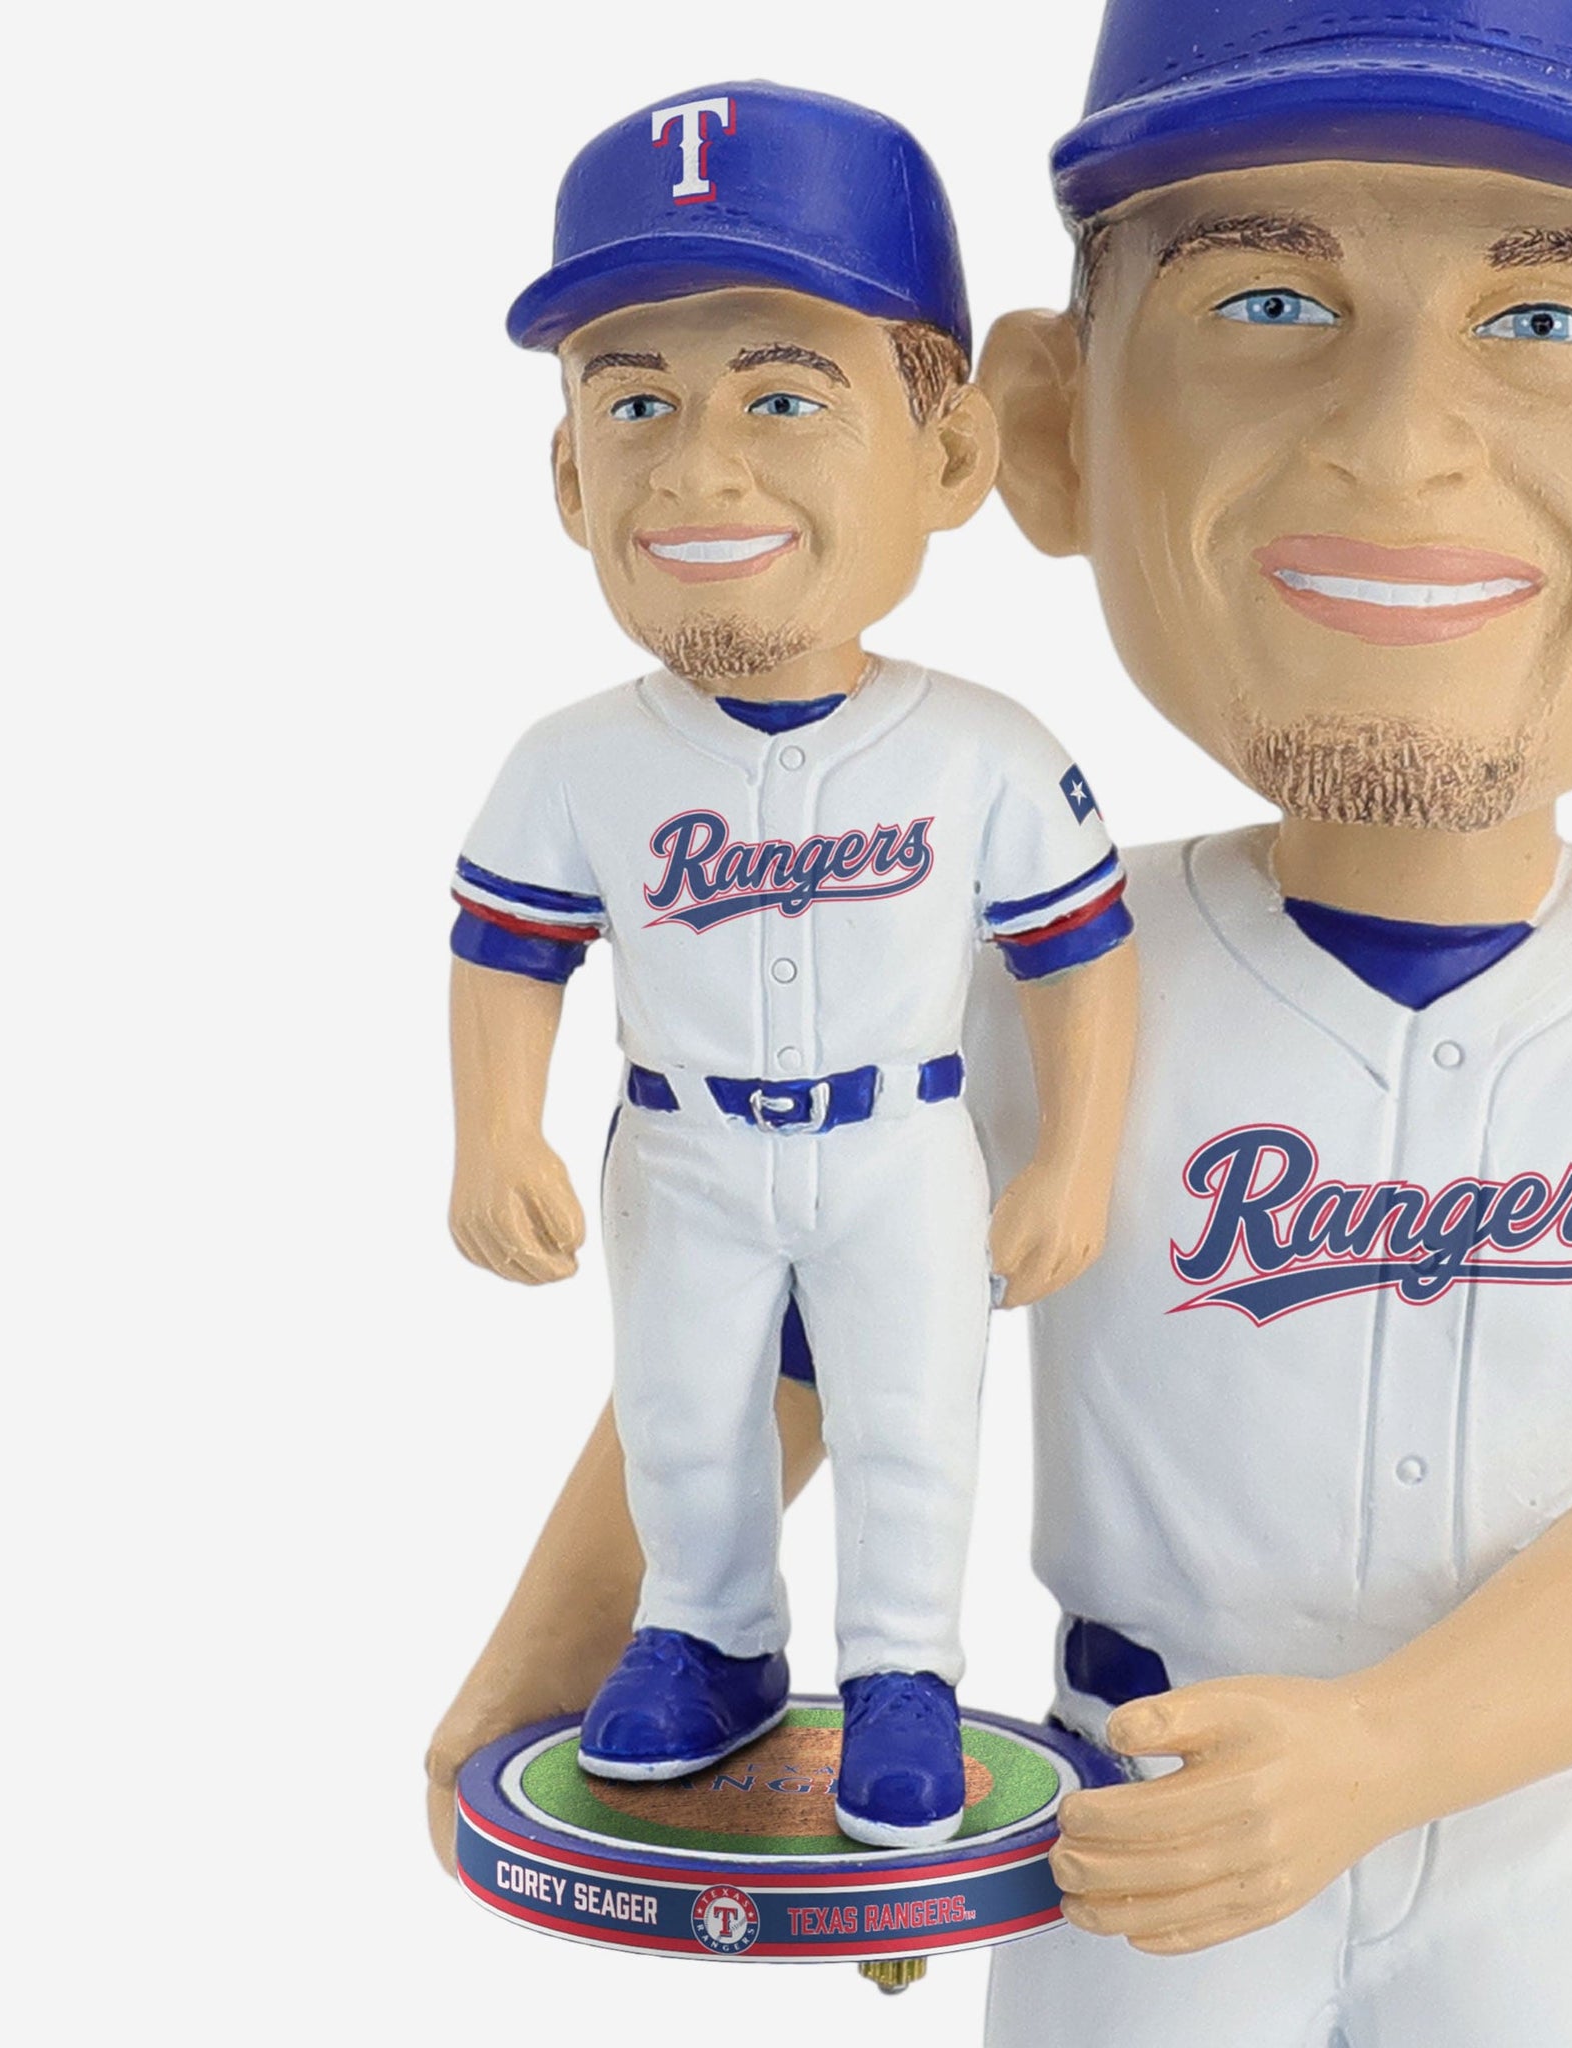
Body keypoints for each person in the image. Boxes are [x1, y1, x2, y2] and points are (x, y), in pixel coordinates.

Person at [434, 4, 1572, 2036]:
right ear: (1050, 432)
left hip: (1570, 1843)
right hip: (1124, 1824)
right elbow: (794, 1346)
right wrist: (551, 1664)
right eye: (1270, 303)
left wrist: (1384, 1752)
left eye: (1549, 322)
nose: (1399, 440)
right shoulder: (1029, 975)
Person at [447, 80, 1135, 1851]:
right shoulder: (574, 762)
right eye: (635, 404)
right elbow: (510, 949)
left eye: (781, 396)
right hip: (678, 1142)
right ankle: (708, 1639)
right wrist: (495, 1133)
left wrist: (1073, 1155)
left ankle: (903, 1672)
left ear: (951, 455)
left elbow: (1077, 955)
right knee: (683, 1415)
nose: (699, 468)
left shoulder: (983, 749)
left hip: (903, 1142)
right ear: (566, 474)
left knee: (910, 1417)